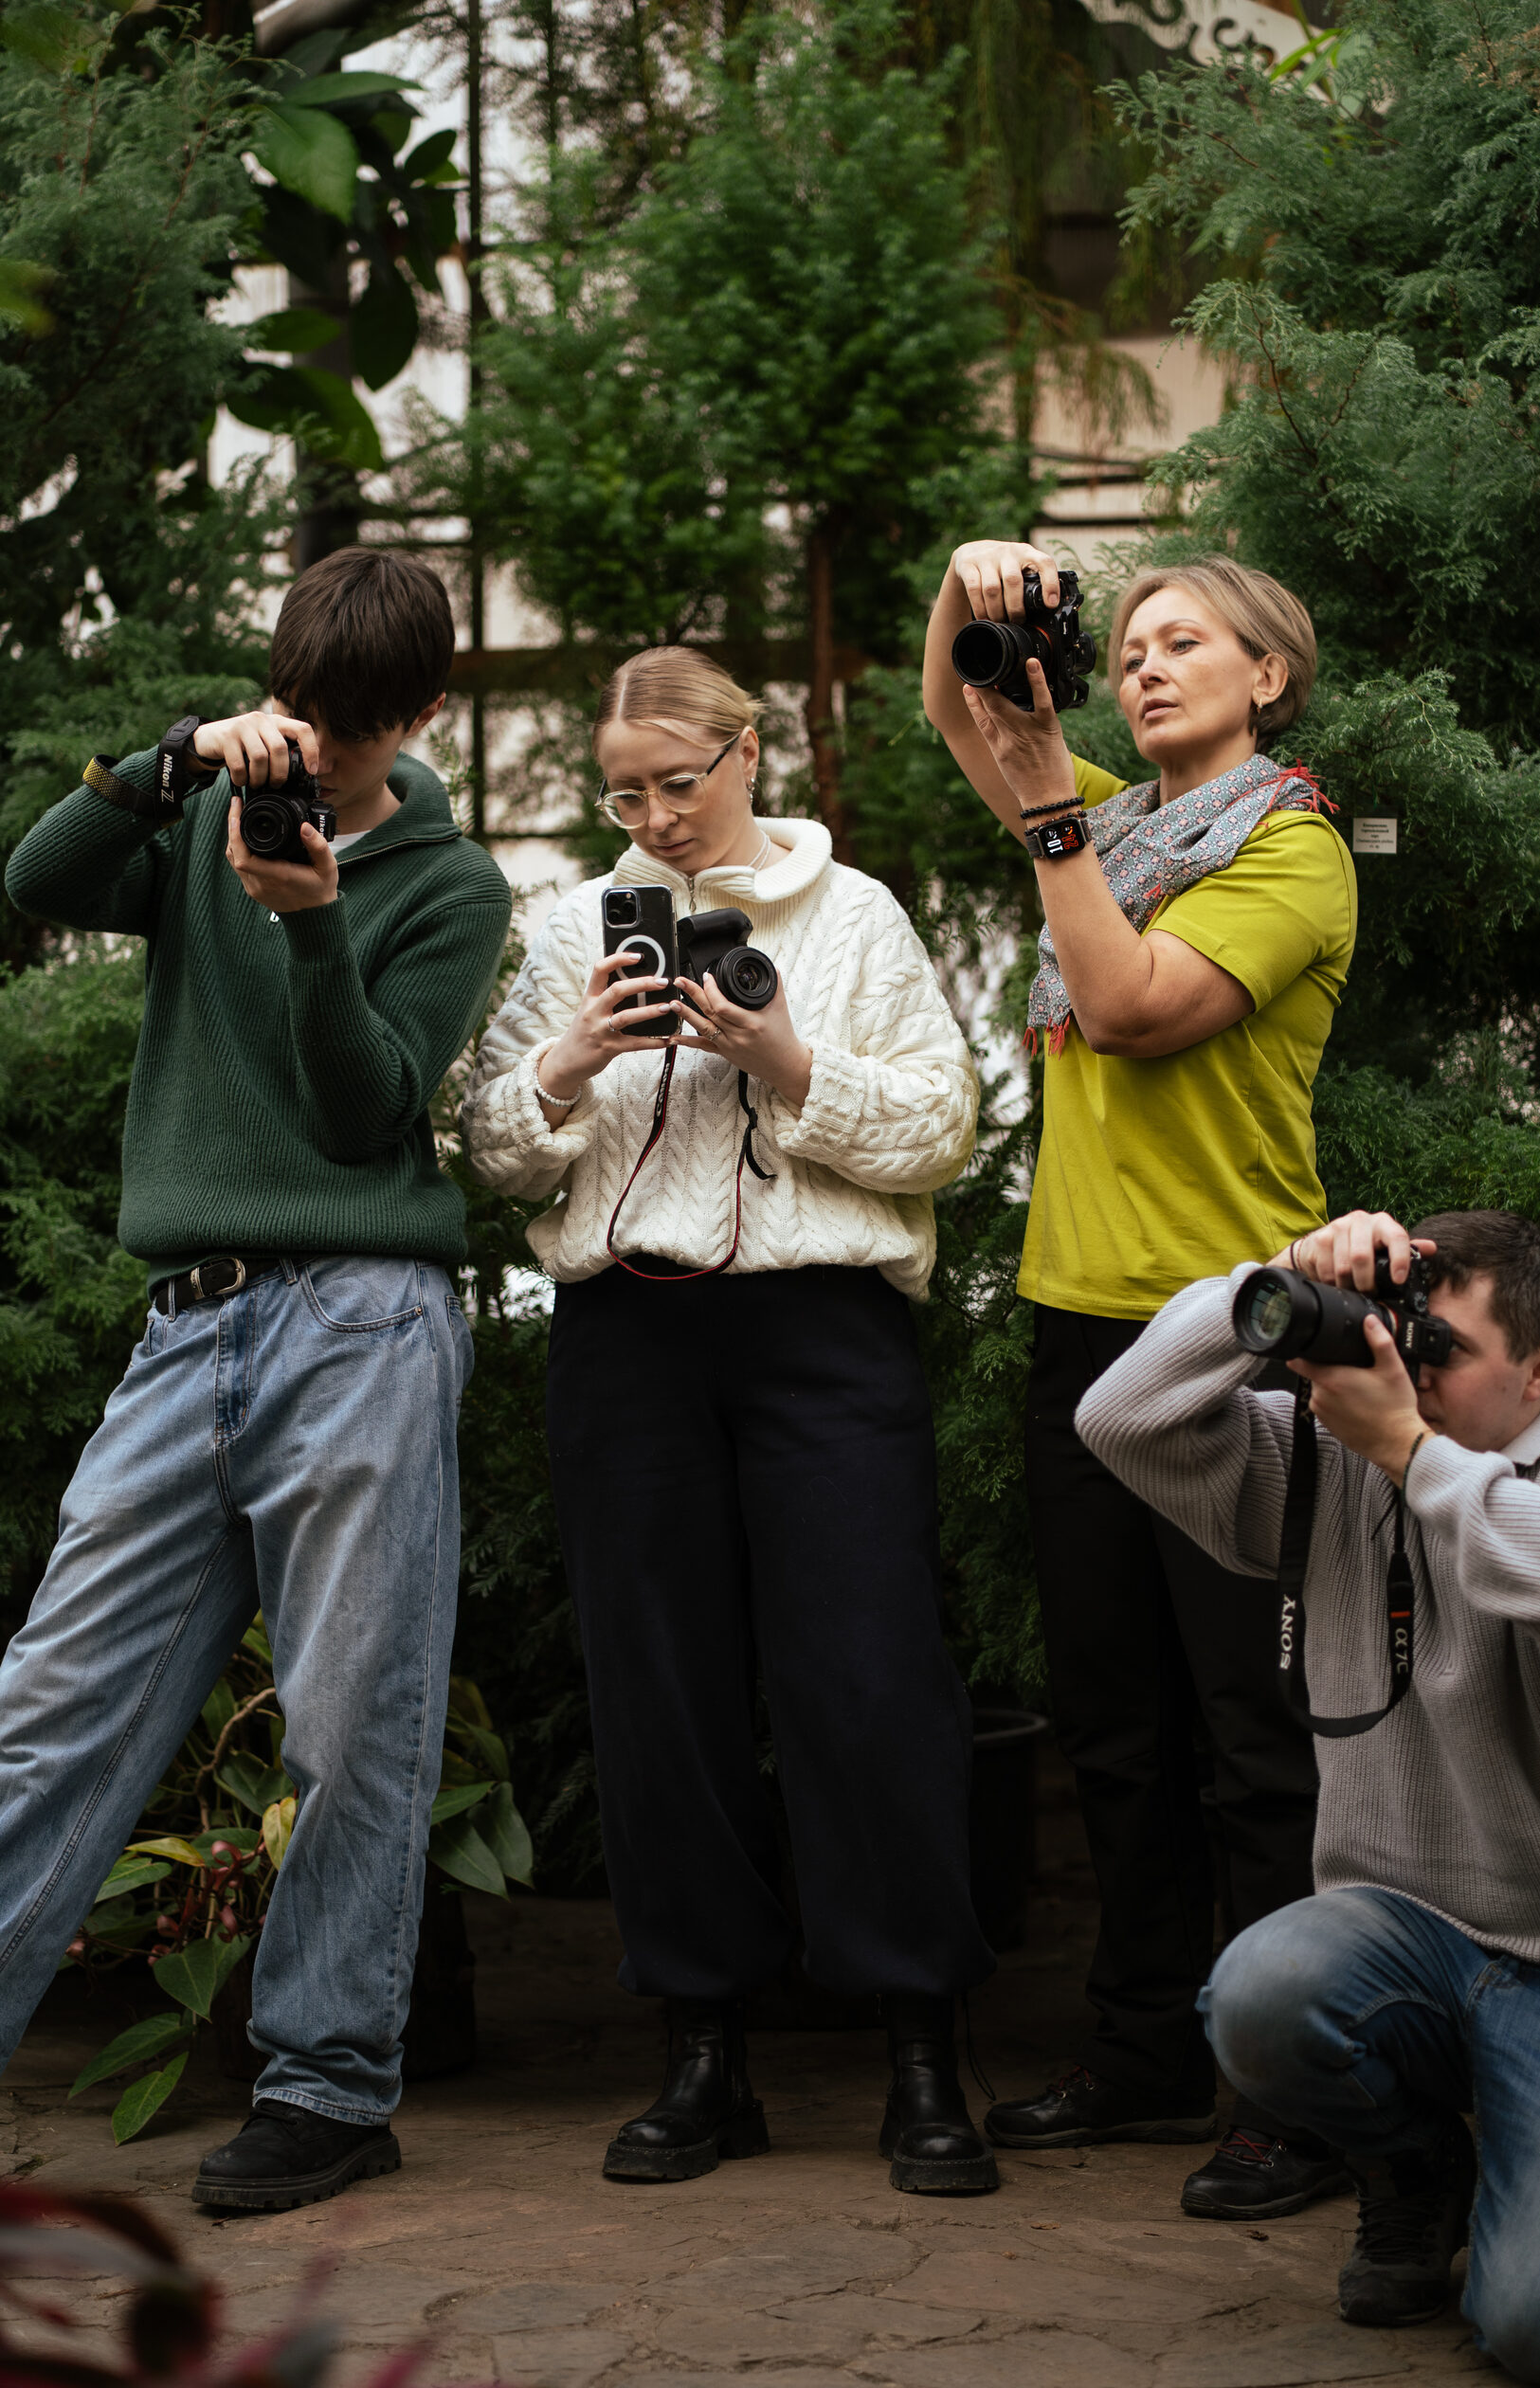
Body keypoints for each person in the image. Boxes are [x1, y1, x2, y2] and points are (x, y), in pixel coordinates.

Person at [1, 549, 512, 2212]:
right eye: (302, 715)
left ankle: (330, 2089)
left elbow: (366, 1112)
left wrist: (312, 929)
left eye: (354, 733)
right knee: (51, 1709)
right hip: (184, 1329)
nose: (321, 756)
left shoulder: (453, 884)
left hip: (364, 1323)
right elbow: (39, 878)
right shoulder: (204, 811)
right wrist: (167, 765)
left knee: (356, 1722)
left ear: (421, 717)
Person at [462, 646, 999, 2195]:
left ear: (749, 753)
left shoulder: (858, 915)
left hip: (825, 1334)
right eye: (622, 793)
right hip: (627, 1336)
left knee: (870, 1677)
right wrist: (568, 1062)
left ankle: (919, 2045)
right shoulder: (572, 927)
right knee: (659, 1691)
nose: (652, 816)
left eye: (675, 783)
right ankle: (704, 2052)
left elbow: (944, 1130)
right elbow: (489, 1147)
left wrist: (786, 1061)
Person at [922, 544, 1358, 2217]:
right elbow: (957, 707)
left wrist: (1052, 817)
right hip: (1076, 1327)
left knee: (1254, 1734)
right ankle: (1147, 2046)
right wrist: (965, 586)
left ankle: (1291, 2087)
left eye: (1185, 641)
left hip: (1235, 1337)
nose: (1147, 665)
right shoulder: (1108, 823)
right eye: (1126, 647)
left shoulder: (1293, 847)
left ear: (1269, 676)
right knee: (1114, 1724)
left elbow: (1123, 1006)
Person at [1073, 1205, 1540, 2381]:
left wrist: (1413, 1454)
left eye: (1442, 1349)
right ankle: (1415, 2168)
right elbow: (1118, 1416)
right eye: (1394, 1336)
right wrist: (1273, 1280)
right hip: (1405, 1940)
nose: (1407, 1371)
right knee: (1262, 1992)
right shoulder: (1327, 1465)